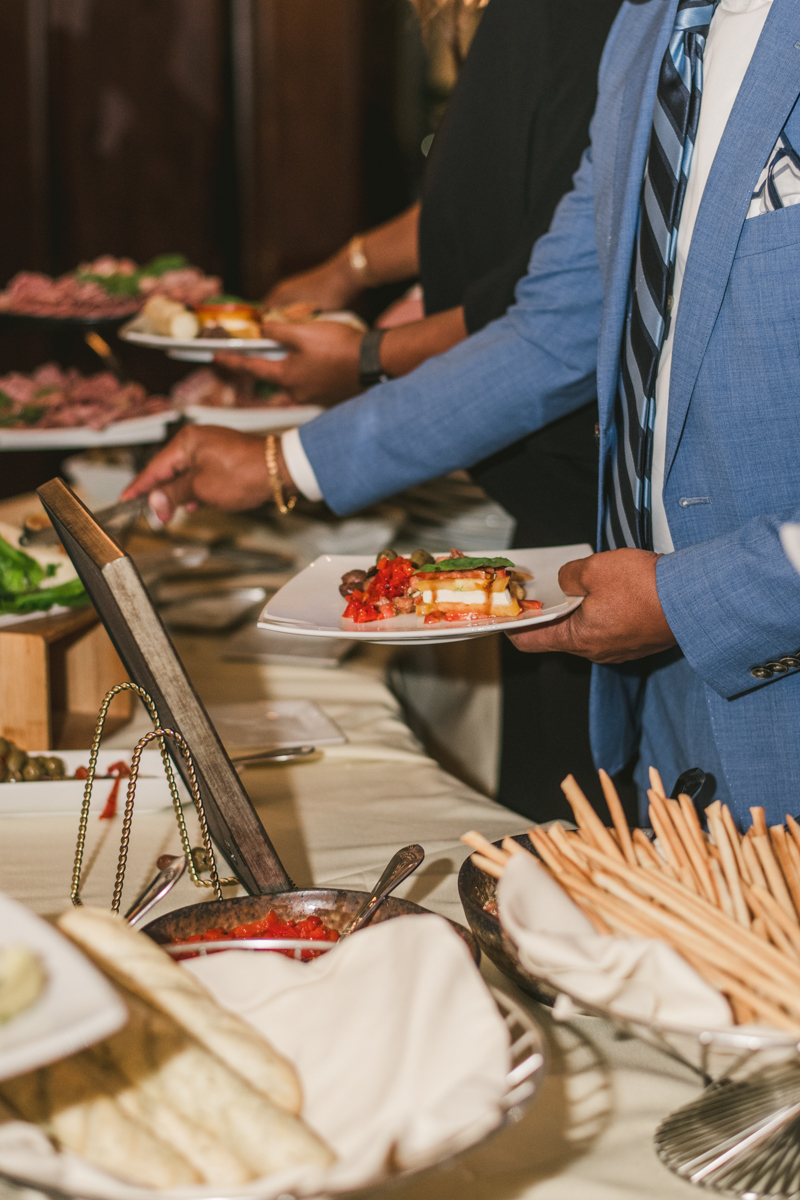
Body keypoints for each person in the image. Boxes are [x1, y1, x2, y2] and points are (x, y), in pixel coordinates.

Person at [127, 0, 800, 826]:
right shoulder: (645, 31)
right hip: (670, 715)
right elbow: (550, 332)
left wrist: (694, 598)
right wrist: (284, 463)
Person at [220, 0, 621, 818]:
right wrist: (349, 265)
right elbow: (482, 194)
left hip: (591, 496)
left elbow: (550, 315)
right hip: (537, 497)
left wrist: (362, 365)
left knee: (578, 831)